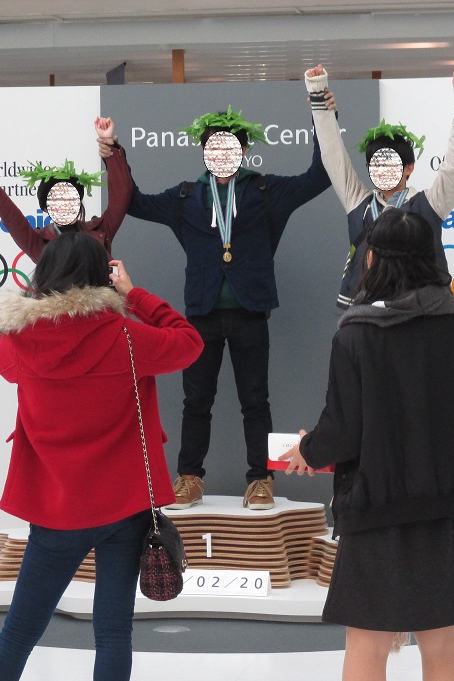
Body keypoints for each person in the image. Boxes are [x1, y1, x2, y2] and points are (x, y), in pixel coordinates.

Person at [0, 232, 203, 681]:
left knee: (18, 635)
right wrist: (135, 294)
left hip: (57, 512)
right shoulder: (128, 336)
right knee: (113, 635)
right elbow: (188, 341)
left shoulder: (20, 343)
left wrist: (30, 308)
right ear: (103, 276)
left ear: (44, 279)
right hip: (125, 507)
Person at [280, 210, 454, 681]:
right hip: (447, 513)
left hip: (374, 514)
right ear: (432, 259)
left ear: (373, 259)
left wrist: (307, 451)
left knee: (366, 648)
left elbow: (341, 430)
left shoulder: (356, 334)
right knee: (442, 646)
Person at [100, 106, 330, 511]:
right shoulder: (186, 197)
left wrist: (321, 115)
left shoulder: (265, 191)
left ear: (244, 151)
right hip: (201, 315)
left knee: (255, 401)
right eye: (214, 147)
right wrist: (113, 153)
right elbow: (132, 202)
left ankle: (261, 479)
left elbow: (319, 176)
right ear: (204, 152)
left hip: (250, 312)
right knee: (195, 401)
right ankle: (189, 478)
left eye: (230, 147)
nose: (222, 154)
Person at [303, 64, 454, 309]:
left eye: (389, 163)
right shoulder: (359, 203)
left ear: (409, 167)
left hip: (420, 312)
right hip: (363, 310)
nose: (382, 170)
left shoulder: (429, 205)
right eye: (376, 164)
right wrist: (319, 98)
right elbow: (333, 156)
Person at [0, 117, 132, 264]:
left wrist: (110, 146)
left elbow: (121, 194)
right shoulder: (39, 243)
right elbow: (11, 217)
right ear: (47, 208)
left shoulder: (101, 231)